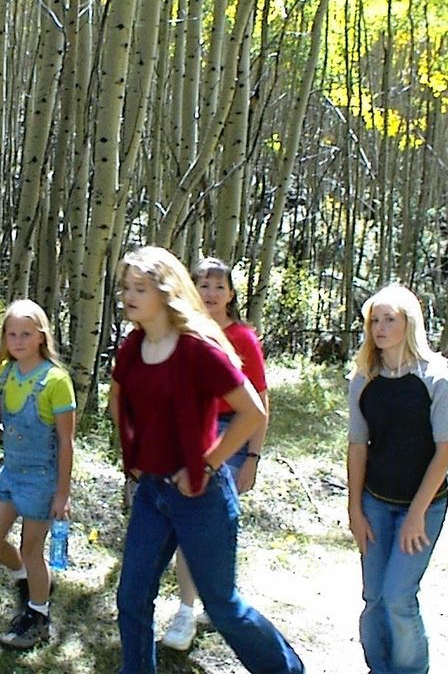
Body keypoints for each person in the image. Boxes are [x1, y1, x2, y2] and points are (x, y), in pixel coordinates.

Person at [110, 246, 304, 674]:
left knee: (222, 606)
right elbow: (118, 400)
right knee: (132, 597)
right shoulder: (133, 346)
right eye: (125, 287)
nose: (127, 295)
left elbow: (252, 410)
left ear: (165, 293)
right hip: (151, 493)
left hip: (202, 496)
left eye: (139, 288)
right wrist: (134, 457)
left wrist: (211, 462)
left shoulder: (198, 349)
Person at [347, 284, 448, 673]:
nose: (379, 328)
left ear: (409, 323)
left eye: (388, 319)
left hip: (424, 506)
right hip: (375, 502)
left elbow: (445, 449)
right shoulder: (363, 379)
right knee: (374, 597)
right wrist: (355, 510)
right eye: (374, 321)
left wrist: (416, 514)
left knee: (399, 597)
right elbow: (357, 446)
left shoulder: (436, 379)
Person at [162, 256, 270, 650]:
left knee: (209, 525)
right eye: (203, 285)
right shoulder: (179, 333)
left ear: (231, 294)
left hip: (232, 435)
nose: (210, 294)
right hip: (189, 434)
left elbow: (258, 400)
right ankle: (189, 609)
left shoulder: (242, 338)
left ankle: (205, 603)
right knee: (192, 522)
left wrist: (253, 459)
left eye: (219, 286)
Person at [0, 299, 76, 649]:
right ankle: (25, 583)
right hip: (10, 473)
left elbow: (66, 442)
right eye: (11, 334)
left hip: (42, 479)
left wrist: (62, 494)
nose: (18, 340)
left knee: (32, 549)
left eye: (26, 333)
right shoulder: (6, 373)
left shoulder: (56, 380)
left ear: (41, 336)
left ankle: (38, 617)